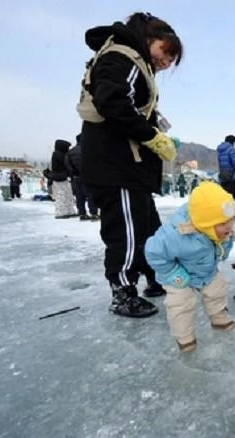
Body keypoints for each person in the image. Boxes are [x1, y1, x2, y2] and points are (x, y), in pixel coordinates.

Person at [77, 11, 183, 317]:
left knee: (149, 228)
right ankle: (123, 292)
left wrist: (155, 132)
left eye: (171, 59)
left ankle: (154, 278)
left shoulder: (133, 62)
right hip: (116, 166)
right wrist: (150, 135)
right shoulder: (124, 57)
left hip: (131, 168)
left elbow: (132, 108)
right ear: (148, 39)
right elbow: (112, 102)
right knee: (127, 233)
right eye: (165, 52)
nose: (166, 62)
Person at [145, 181, 235, 352]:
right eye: (224, 223)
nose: (230, 225)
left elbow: (221, 254)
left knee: (217, 289)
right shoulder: (175, 235)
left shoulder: (216, 230)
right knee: (181, 303)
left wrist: (226, 241)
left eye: (232, 219)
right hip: (178, 276)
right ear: (205, 222)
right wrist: (173, 273)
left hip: (205, 270)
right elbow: (153, 252)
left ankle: (218, 317)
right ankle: (184, 337)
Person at [66, 135, 99, 220]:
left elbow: (67, 165)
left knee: (79, 197)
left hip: (76, 178)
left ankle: (82, 213)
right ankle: (94, 213)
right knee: (91, 196)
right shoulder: (89, 150)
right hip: (88, 177)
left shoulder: (70, 152)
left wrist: (73, 173)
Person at [49, 140, 77, 217]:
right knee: (61, 195)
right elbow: (66, 166)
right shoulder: (59, 155)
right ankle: (61, 212)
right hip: (60, 178)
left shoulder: (58, 154)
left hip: (62, 177)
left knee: (67, 195)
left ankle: (68, 211)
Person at [216, 135, 235, 199]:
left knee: (223, 196)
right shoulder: (231, 149)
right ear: (232, 142)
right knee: (231, 197)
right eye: (234, 143)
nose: (234, 144)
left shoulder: (220, 151)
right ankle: (230, 209)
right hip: (231, 176)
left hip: (222, 176)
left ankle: (223, 209)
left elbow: (219, 163)